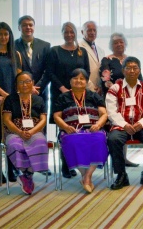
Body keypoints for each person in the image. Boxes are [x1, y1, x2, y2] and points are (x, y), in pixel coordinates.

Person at [105, 57, 143, 190]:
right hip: (121, 125)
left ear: (140, 71)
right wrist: (124, 125)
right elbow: (111, 112)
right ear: (123, 71)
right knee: (113, 139)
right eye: (128, 68)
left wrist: (140, 123)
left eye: (135, 68)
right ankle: (121, 175)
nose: (132, 71)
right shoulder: (114, 88)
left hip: (141, 125)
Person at [45, 22, 90, 179]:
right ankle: (65, 165)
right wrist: (63, 89)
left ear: (76, 33)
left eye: (72, 32)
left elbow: (87, 72)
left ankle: (77, 162)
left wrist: (79, 89)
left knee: (78, 128)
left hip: (79, 96)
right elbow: (50, 73)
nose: (69, 35)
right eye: (66, 32)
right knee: (64, 130)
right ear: (62, 33)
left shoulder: (81, 51)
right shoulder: (55, 51)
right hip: (61, 96)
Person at [53, 69, 109, 193]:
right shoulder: (63, 97)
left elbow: (104, 114)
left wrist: (99, 125)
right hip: (71, 130)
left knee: (100, 139)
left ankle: (87, 176)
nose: (78, 81)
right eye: (75, 78)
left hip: (93, 129)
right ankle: (85, 176)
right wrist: (66, 127)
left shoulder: (94, 95)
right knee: (72, 141)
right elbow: (56, 116)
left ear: (87, 81)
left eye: (82, 78)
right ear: (70, 81)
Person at [0, 22, 22, 183]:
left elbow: (20, 78)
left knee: (11, 135)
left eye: (6, 34)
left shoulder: (16, 54)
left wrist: (16, 95)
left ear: (10, 36)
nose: (3, 37)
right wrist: (1, 94)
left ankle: (11, 168)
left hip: (13, 100)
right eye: (0, 34)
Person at [2, 72, 48, 195]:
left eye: (27, 81)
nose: (24, 85)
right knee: (15, 145)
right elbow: (6, 120)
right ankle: (27, 174)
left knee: (40, 142)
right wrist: (20, 132)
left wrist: (32, 131)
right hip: (14, 131)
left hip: (35, 131)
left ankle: (26, 175)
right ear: (16, 85)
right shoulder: (10, 99)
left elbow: (43, 120)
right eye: (21, 82)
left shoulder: (39, 99)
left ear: (32, 83)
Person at [101, 33, 142, 167]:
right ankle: (116, 159)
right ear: (111, 46)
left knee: (128, 124)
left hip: (132, 98)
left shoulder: (131, 60)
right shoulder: (107, 60)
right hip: (114, 99)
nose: (119, 45)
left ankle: (124, 158)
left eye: (121, 42)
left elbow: (139, 79)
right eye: (115, 43)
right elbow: (105, 79)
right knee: (116, 128)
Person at [14, 15, 51, 105]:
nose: (28, 27)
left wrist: (36, 87)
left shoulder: (45, 46)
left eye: (31, 25)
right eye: (24, 25)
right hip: (20, 92)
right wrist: (26, 87)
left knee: (41, 118)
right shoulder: (12, 46)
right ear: (19, 27)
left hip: (40, 92)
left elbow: (48, 70)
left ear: (34, 27)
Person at [78, 21, 106, 94]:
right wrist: (92, 88)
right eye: (89, 30)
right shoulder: (78, 48)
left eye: (94, 30)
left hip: (99, 91)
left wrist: (100, 87)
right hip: (85, 89)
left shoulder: (101, 50)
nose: (92, 32)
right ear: (82, 32)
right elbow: (81, 71)